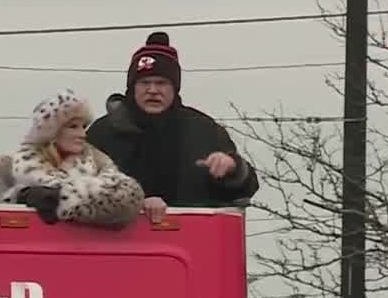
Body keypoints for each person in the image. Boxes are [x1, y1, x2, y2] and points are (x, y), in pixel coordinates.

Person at [87, 31, 259, 223]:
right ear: (132, 87)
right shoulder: (102, 134)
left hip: (192, 243)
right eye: (144, 83)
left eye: (161, 83)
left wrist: (233, 169)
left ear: (174, 88)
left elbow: (246, 190)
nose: (153, 90)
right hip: (117, 246)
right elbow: (77, 189)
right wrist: (133, 204)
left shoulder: (204, 131)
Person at [0, 89, 143, 228]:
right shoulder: (10, 167)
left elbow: (128, 200)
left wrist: (62, 198)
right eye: (73, 127)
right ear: (51, 131)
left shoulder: (98, 161)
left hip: (88, 251)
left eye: (84, 127)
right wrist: (21, 196)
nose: (83, 134)